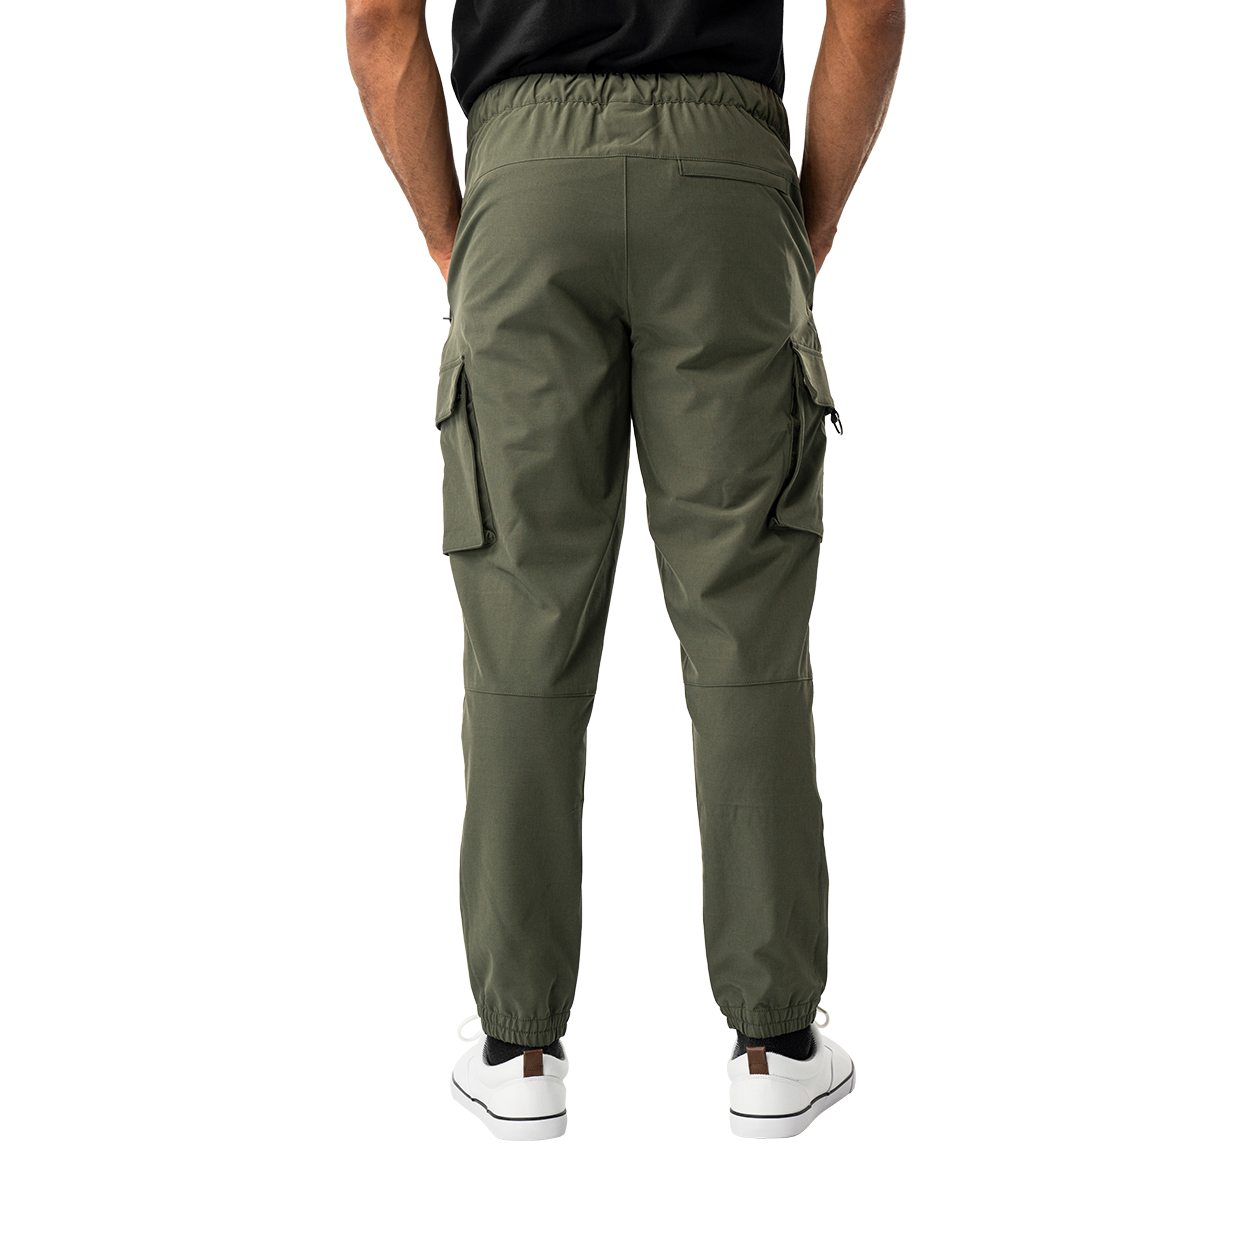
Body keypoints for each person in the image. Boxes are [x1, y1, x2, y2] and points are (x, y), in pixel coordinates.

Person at [346, 0, 905, 1140]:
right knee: (746, 624)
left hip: (525, 187)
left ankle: (518, 1049)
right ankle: (774, 1045)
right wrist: (795, 227)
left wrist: (462, 237)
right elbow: (872, 12)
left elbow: (374, 22)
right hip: (726, 182)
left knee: (522, 630)